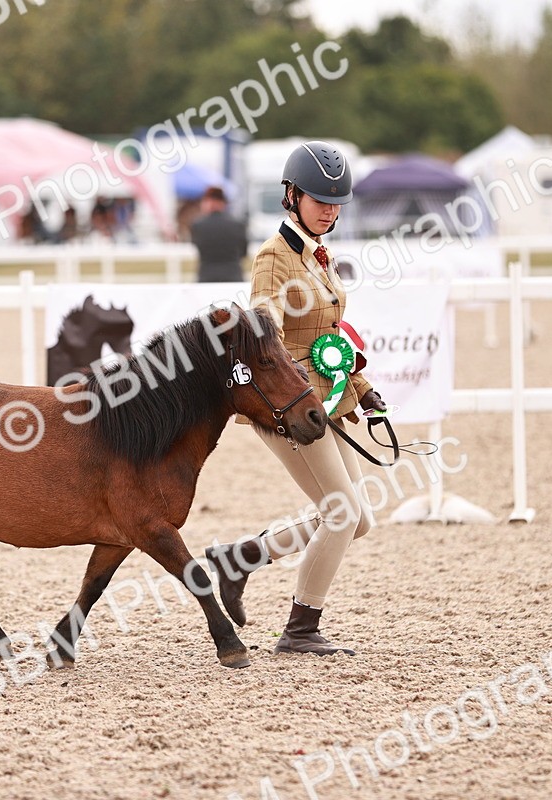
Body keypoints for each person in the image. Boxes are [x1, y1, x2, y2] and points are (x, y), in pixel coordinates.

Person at [206, 141, 386, 656]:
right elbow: (269, 343)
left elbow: (329, 338)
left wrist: (362, 390)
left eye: (336, 202)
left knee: (358, 518)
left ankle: (241, 558)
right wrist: (299, 400)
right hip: (290, 404)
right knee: (342, 513)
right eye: (318, 199)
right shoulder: (274, 259)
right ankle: (301, 628)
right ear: (291, 195)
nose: (329, 209)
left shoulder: (319, 256)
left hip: (326, 399)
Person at [190, 186, 247, 282]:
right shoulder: (238, 224)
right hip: (233, 277)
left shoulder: (198, 226)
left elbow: (197, 246)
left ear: (210, 201)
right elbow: (244, 251)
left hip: (206, 277)